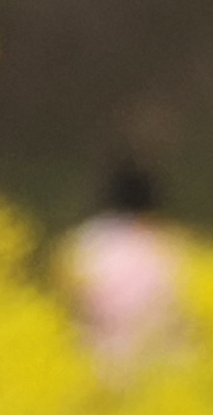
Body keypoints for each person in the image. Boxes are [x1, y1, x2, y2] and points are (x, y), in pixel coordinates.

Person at [58, 156, 186, 383]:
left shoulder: (83, 245)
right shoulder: (171, 250)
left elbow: (66, 310)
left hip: (95, 373)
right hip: (162, 375)